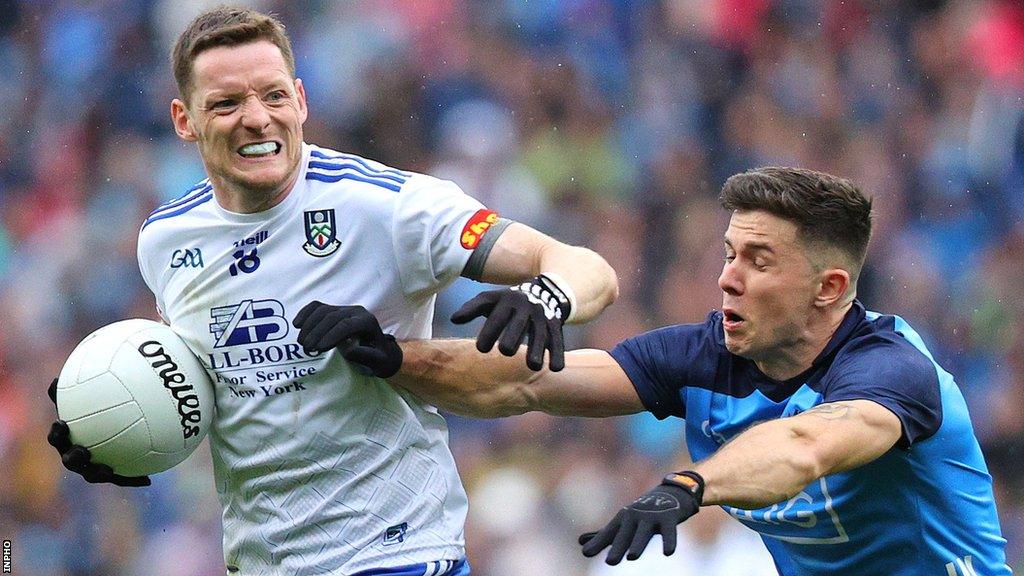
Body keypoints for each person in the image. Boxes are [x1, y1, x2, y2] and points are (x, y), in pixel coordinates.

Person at [45, 7, 617, 576]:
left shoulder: (388, 208)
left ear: (300, 99)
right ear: (183, 119)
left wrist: (546, 296)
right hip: (262, 563)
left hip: (397, 553)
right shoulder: (164, 241)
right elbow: (222, 392)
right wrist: (114, 421)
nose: (256, 119)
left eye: (272, 96)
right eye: (226, 104)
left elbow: (587, 268)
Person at [382, 167, 1012, 575]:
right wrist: (390, 355)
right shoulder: (705, 357)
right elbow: (526, 382)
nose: (727, 278)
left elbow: (804, 447)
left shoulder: (894, 370)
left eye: (759, 261)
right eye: (729, 253)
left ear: (830, 287)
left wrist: (688, 486)